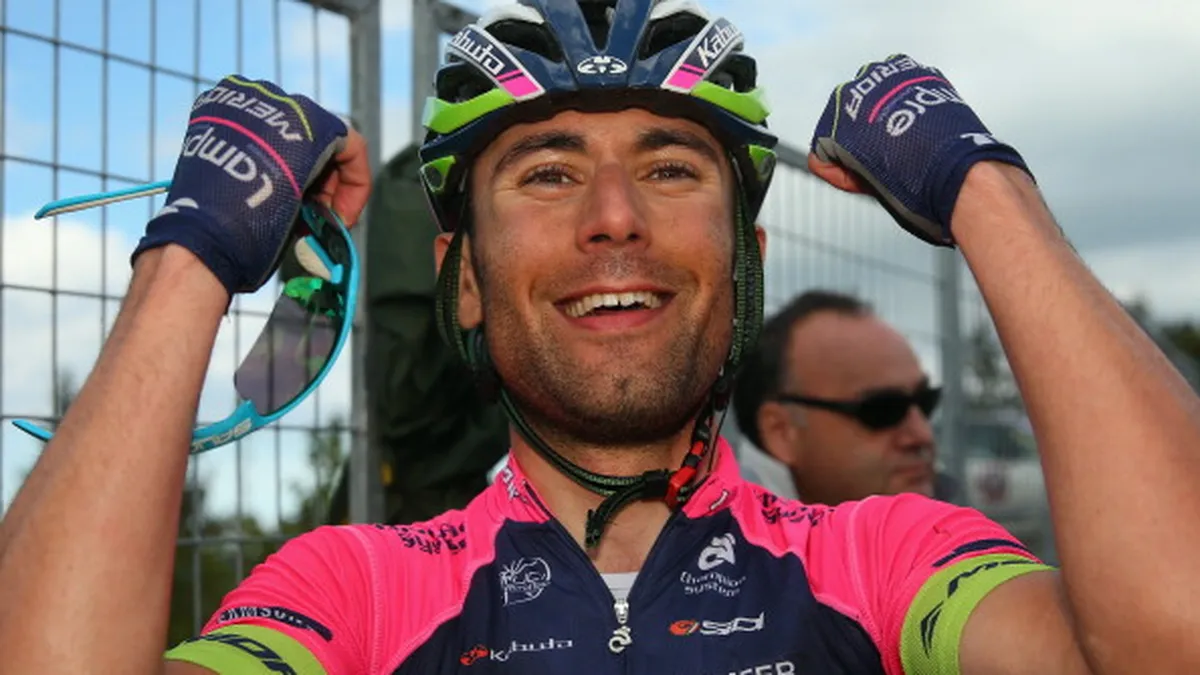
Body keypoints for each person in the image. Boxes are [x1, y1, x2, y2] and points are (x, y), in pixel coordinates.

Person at [2, 1, 1199, 673]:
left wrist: (984, 187)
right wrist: (194, 250)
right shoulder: (354, 592)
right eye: (548, 172)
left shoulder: (886, 560)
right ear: (464, 283)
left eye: (670, 169)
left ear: (747, 262)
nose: (614, 218)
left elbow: (1174, 635)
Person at [732, 289, 958, 505]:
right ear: (780, 431)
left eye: (926, 402)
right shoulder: (730, 528)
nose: (922, 436)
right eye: (883, 410)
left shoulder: (957, 520)